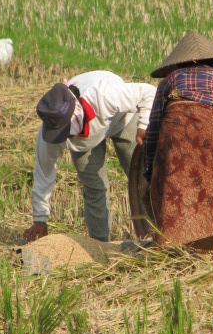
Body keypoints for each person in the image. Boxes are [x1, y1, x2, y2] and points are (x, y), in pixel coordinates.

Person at [142, 31, 213, 261]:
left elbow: (152, 131)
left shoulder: (169, 81)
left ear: (178, 63)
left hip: (175, 135)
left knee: (170, 199)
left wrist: (149, 172)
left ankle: (164, 264)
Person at [23, 71, 156, 243]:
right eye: (61, 134)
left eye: (65, 132)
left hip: (121, 119)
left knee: (144, 178)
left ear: (75, 115)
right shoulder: (51, 130)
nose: (64, 138)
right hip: (85, 142)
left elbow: (148, 93)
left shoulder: (104, 94)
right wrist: (40, 218)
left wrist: (143, 126)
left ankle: (156, 236)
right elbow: (44, 171)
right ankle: (99, 247)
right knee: (94, 189)